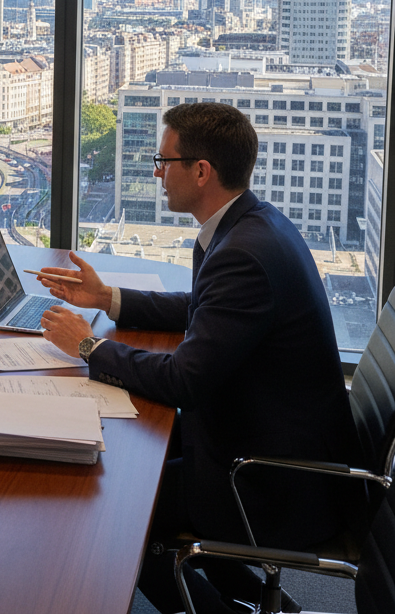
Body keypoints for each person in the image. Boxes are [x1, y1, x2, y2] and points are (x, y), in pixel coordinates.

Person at [38, 102, 358, 614]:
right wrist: (107, 299)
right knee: (140, 462)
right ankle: (266, 603)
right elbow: (204, 309)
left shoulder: (242, 254)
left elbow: (184, 382)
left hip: (272, 482)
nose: (159, 173)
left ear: (201, 170)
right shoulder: (252, 224)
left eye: (165, 162)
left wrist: (88, 345)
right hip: (269, 442)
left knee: (128, 515)